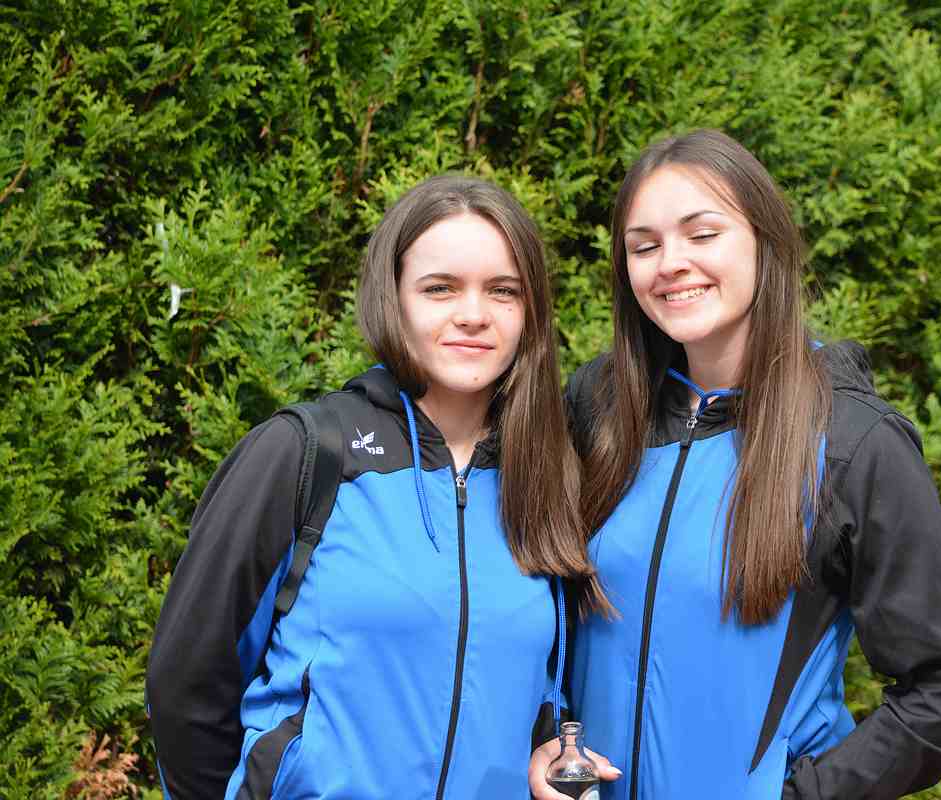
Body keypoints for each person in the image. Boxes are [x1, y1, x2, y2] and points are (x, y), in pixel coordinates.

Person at [530, 129, 941, 799]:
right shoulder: (597, 411)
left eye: (702, 234)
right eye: (644, 246)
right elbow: (535, 606)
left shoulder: (853, 441)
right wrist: (550, 738)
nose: (671, 264)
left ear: (764, 241)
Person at [147, 175, 607, 799]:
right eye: (440, 288)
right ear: (392, 299)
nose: (473, 314)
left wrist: (550, 750)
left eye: (503, 290)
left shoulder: (549, 472)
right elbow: (186, 685)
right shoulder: (305, 453)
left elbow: (547, 688)